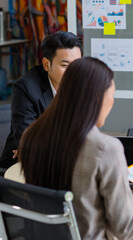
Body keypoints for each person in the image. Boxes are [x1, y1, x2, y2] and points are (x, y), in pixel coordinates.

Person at [19, 57, 133, 239]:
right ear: (96, 97)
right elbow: (126, 229)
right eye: (112, 94)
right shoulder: (104, 149)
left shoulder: (31, 136)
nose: (112, 103)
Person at [0, 31, 82, 173]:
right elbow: (28, 143)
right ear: (46, 64)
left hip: (63, 162)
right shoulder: (26, 87)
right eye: (65, 65)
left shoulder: (81, 83)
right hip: (21, 168)